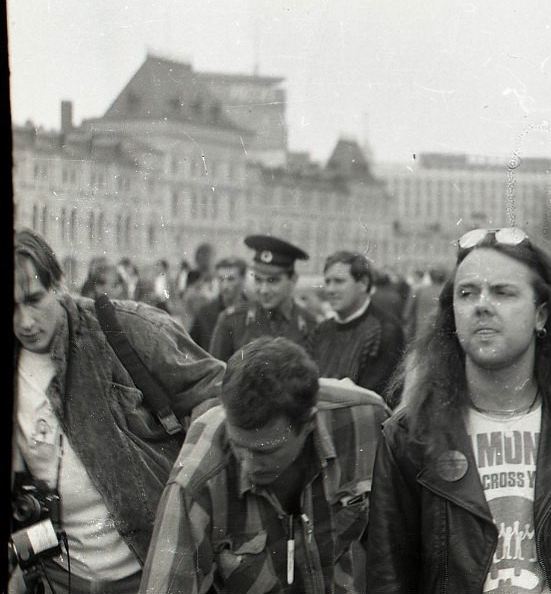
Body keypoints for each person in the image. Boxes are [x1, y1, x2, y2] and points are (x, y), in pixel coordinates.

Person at [366, 227, 551, 593]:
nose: (481, 304)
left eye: (503, 292)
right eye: (467, 293)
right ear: (452, 314)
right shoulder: (409, 435)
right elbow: (389, 578)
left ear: (541, 315)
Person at [11, 229, 223, 594]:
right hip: (55, 577)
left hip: (153, 572)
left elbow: (217, 391)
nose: (25, 322)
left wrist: (190, 488)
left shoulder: (125, 326)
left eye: (34, 299)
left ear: (59, 285)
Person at [139, 336, 390, 593]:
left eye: (265, 452)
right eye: (239, 447)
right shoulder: (195, 483)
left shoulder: (367, 421)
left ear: (308, 424)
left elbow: (397, 542)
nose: (248, 466)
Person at [311, 250, 406, 407]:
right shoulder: (322, 330)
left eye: (339, 281)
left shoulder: (386, 330)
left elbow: (374, 398)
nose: (330, 290)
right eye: (327, 282)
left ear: (362, 284)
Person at [209, 234, 317, 361]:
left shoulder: (310, 326)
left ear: (293, 279)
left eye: (273, 281)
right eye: (258, 280)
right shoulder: (232, 321)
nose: (263, 290)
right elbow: (216, 375)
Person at [188, 257, 248, 351]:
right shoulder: (204, 313)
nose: (225, 285)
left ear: (243, 279)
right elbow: (190, 348)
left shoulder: (253, 310)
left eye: (231, 279)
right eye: (221, 279)